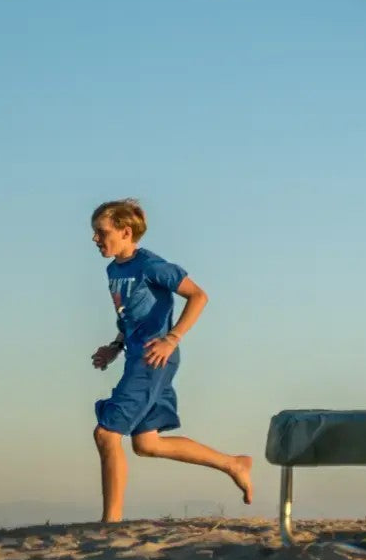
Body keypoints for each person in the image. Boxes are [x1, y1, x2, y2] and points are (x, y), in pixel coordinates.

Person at [89, 199, 252, 522]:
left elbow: (198, 295)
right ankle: (234, 464)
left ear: (125, 232)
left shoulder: (151, 265)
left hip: (153, 359)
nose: (95, 239)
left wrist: (172, 338)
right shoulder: (114, 270)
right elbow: (132, 317)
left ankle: (111, 525)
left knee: (106, 434)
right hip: (137, 356)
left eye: (101, 232)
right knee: (147, 444)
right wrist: (116, 346)